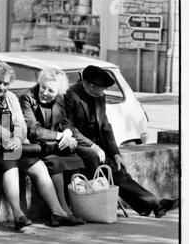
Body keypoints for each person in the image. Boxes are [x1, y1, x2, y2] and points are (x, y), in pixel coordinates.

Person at [64, 65, 179, 218]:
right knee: (110, 169)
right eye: (101, 88)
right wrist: (92, 146)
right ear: (91, 86)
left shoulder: (99, 96)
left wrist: (116, 153)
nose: (103, 92)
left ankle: (156, 203)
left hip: (98, 147)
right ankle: (154, 204)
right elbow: (69, 128)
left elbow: (105, 125)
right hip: (79, 147)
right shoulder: (70, 96)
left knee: (118, 170)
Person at [17, 67, 86, 227]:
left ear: (59, 92)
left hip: (55, 144)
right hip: (37, 146)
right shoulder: (27, 98)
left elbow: (65, 122)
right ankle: (61, 211)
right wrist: (60, 136)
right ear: (39, 83)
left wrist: (67, 133)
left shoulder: (61, 99)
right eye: (44, 87)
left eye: (51, 90)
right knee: (56, 163)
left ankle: (66, 209)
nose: (46, 93)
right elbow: (33, 130)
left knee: (76, 159)